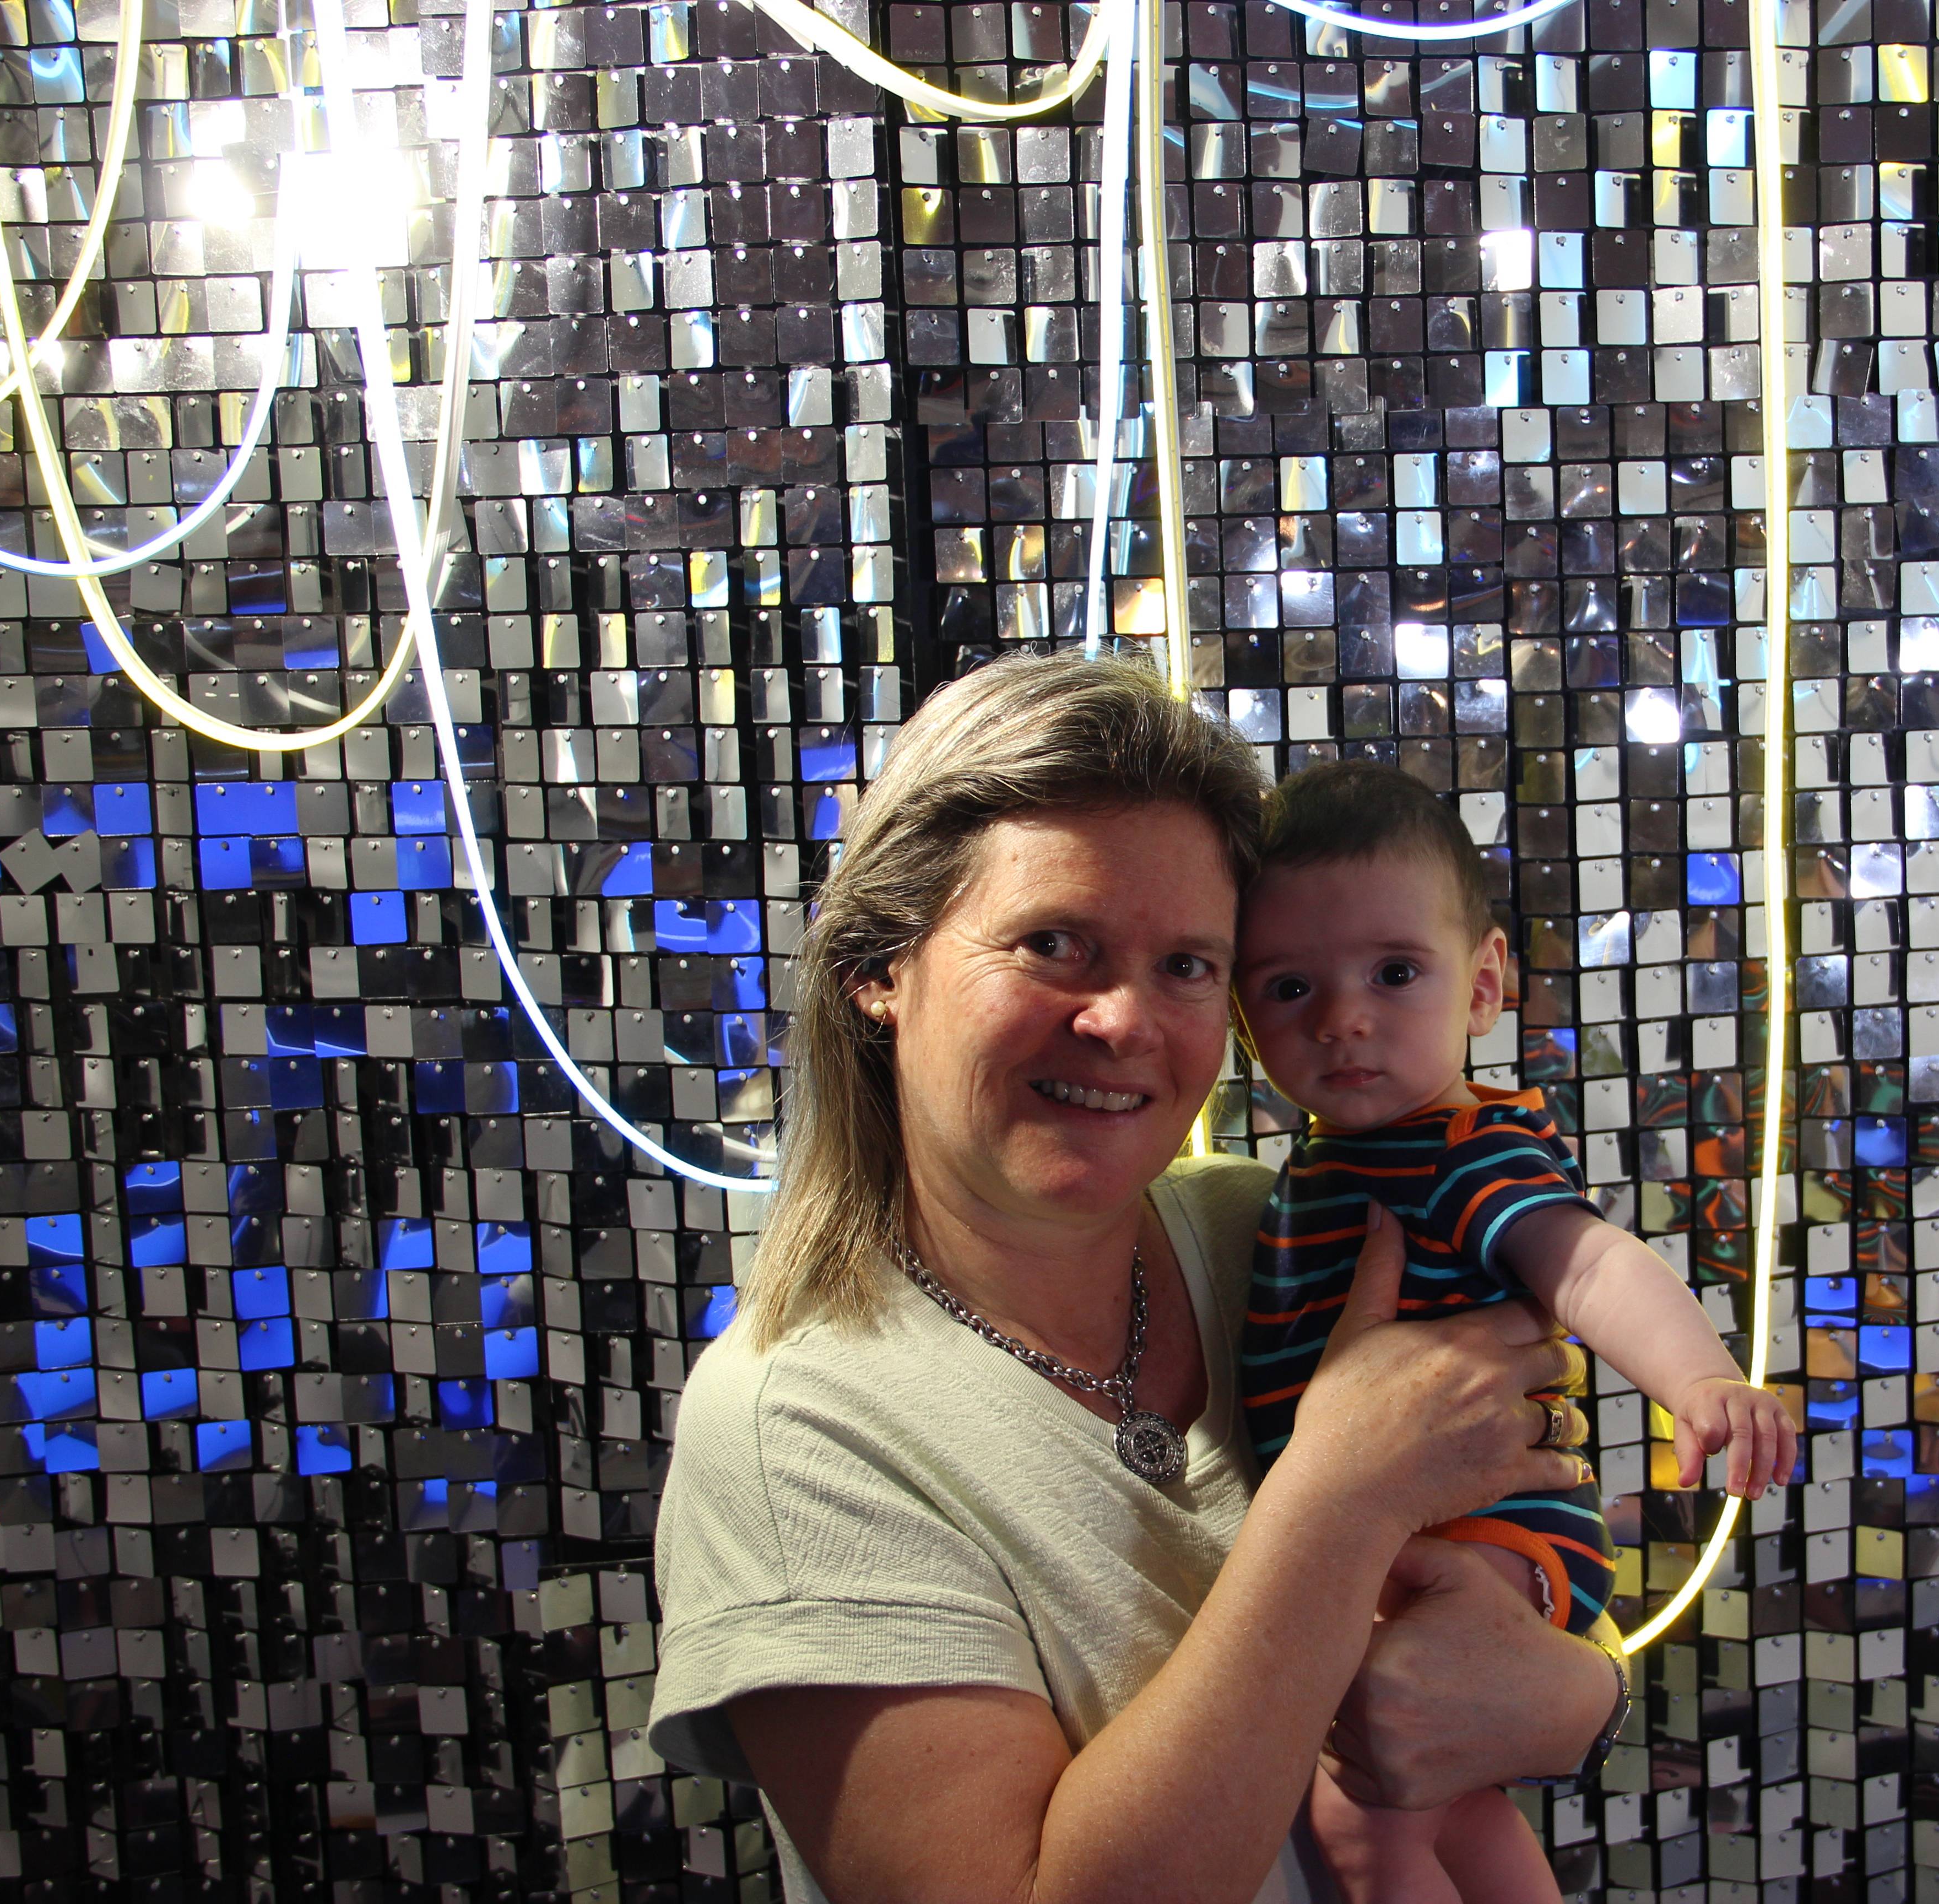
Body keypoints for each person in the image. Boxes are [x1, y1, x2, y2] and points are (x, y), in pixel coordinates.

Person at [644, 657, 1628, 1904]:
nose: (1124, 1022)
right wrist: (1336, 1501)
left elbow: (1532, 1585)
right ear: (882, 966)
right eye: (1054, 944)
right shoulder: (796, 1430)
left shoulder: (1280, 1235)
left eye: (1189, 966)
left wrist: (1581, 1699)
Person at [1233, 760, 1802, 1904]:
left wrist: (1698, 1380)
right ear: (1243, 1015)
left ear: (1485, 984)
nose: (1343, 1019)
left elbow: (1586, 1260)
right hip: (1431, 1529)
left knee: (1358, 1812)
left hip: (1481, 1532)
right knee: (1455, 1810)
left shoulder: (1459, 1152)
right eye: (1291, 987)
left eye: (1396, 973)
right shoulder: (1339, 1158)